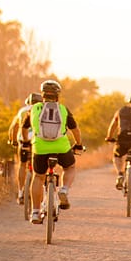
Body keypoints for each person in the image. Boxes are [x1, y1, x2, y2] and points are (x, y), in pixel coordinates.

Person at [21, 79, 84, 224]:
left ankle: (36, 212)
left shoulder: (34, 109)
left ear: (42, 94)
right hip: (61, 147)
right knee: (70, 167)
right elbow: (75, 130)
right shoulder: (63, 109)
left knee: (38, 177)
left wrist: (25, 142)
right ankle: (64, 189)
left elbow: (24, 128)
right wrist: (79, 145)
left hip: (40, 148)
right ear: (57, 95)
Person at [8, 92, 42, 205]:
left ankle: (21, 191)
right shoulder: (42, 109)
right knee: (40, 169)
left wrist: (12, 140)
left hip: (23, 140)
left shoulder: (22, 111)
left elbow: (14, 127)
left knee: (22, 164)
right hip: (38, 141)